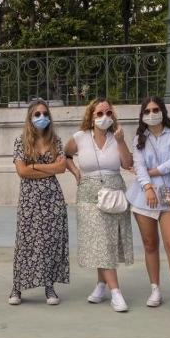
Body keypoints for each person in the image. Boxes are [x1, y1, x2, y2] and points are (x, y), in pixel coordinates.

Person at [64, 99, 136, 312]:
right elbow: (65, 155)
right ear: (91, 116)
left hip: (113, 192)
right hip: (88, 194)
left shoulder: (117, 137)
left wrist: (122, 142)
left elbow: (127, 163)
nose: (104, 116)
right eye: (99, 113)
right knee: (100, 240)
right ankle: (116, 292)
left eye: (108, 112)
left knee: (107, 241)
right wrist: (76, 171)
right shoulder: (80, 138)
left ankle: (101, 285)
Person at [128, 96, 170, 312]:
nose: (152, 114)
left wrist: (152, 172)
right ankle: (155, 289)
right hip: (144, 194)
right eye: (147, 111)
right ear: (142, 115)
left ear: (162, 111)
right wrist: (147, 187)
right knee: (150, 243)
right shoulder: (139, 139)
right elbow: (137, 165)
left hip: (169, 192)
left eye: (156, 109)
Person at [10, 99, 70, 305]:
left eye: (44, 113)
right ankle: (17, 288)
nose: (41, 117)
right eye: (37, 114)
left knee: (50, 243)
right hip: (30, 200)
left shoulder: (56, 141)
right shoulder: (21, 141)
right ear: (30, 117)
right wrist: (49, 167)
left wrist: (34, 166)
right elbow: (22, 171)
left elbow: (62, 168)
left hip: (53, 200)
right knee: (26, 242)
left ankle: (49, 287)